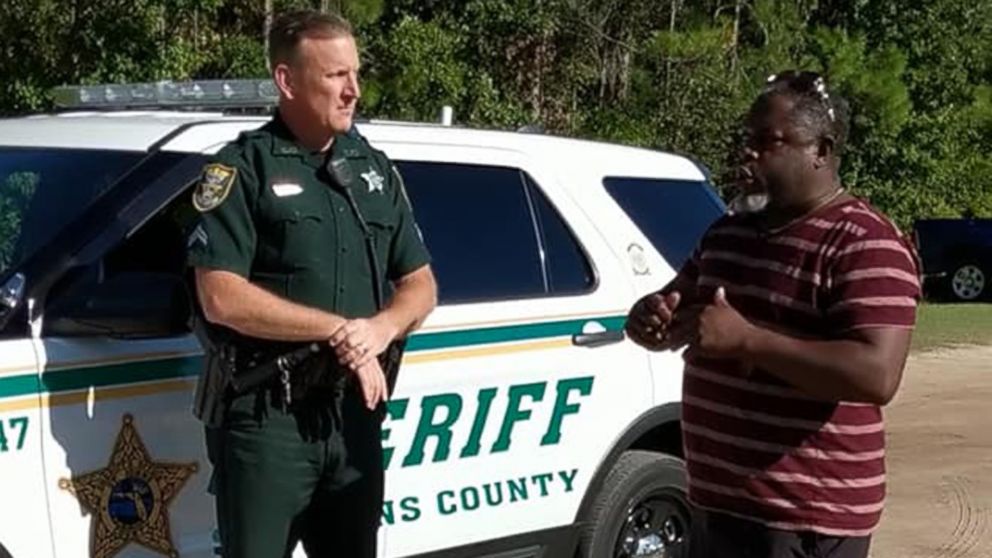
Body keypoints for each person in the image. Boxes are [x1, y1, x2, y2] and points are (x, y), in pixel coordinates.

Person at [626, 70, 921, 558]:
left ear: (820, 151)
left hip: (805, 520)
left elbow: (876, 375)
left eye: (769, 142)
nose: (750, 153)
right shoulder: (728, 232)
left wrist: (747, 341)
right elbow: (679, 310)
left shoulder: (865, 243)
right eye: (747, 139)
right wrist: (650, 318)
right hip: (718, 504)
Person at [186, 10, 437, 558]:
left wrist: (379, 328)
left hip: (352, 417)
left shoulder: (372, 170)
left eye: (355, 73)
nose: (354, 91)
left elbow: (420, 284)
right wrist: (340, 330)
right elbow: (220, 296)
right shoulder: (242, 168)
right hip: (268, 420)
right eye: (335, 76)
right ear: (287, 80)